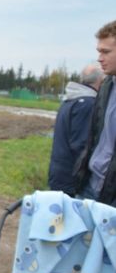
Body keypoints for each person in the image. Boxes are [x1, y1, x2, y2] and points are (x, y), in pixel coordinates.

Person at [73, 19, 116, 273]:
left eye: (106, 51)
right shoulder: (108, 87)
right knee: (80, 256)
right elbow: (96, 139)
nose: (100, 58)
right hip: (94, 189)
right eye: (98, 51)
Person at [48, 64, 104, 196]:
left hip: (60, 173)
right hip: (72, 179)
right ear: (99, 81)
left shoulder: (70, 100)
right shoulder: (87, 104)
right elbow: (82, 145)